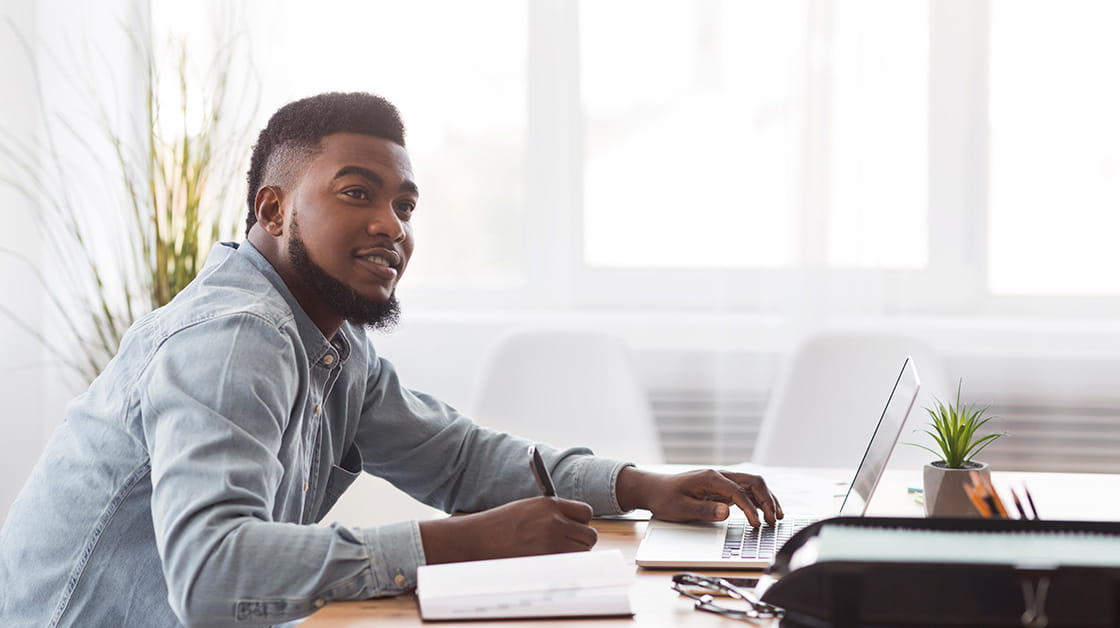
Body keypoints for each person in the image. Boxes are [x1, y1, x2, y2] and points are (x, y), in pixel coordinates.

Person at [0, 92, 782, 627]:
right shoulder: (235, 336)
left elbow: (463, 460)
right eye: (356, 193)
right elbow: (214, 574)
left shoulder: (334, 343)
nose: (392, 226)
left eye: (405, 205)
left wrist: (643, 486)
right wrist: (462, 543)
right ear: (273, 208)